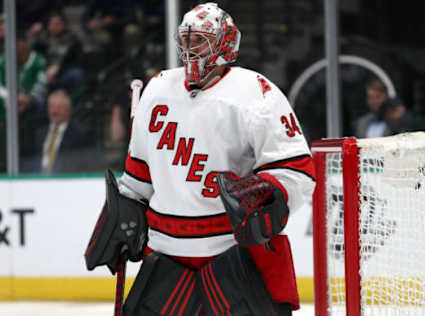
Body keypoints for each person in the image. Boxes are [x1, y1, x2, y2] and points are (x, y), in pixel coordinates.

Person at [86, 3, 316, 315]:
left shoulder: (256, 92)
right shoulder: (157, 89)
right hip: (168, 253)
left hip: (232, 251)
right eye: (186, 40)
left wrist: (267, 196)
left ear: (224, 43)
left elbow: (297, 170)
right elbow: (139, 175)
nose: (190, 49)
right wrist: (121, 217)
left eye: (200, 40)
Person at [24, 90, 89, 174]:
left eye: (59, 107)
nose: (54, 111)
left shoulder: (79, 135)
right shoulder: (39, 133)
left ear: (68, 110)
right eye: (51, 107)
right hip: (38, 181)